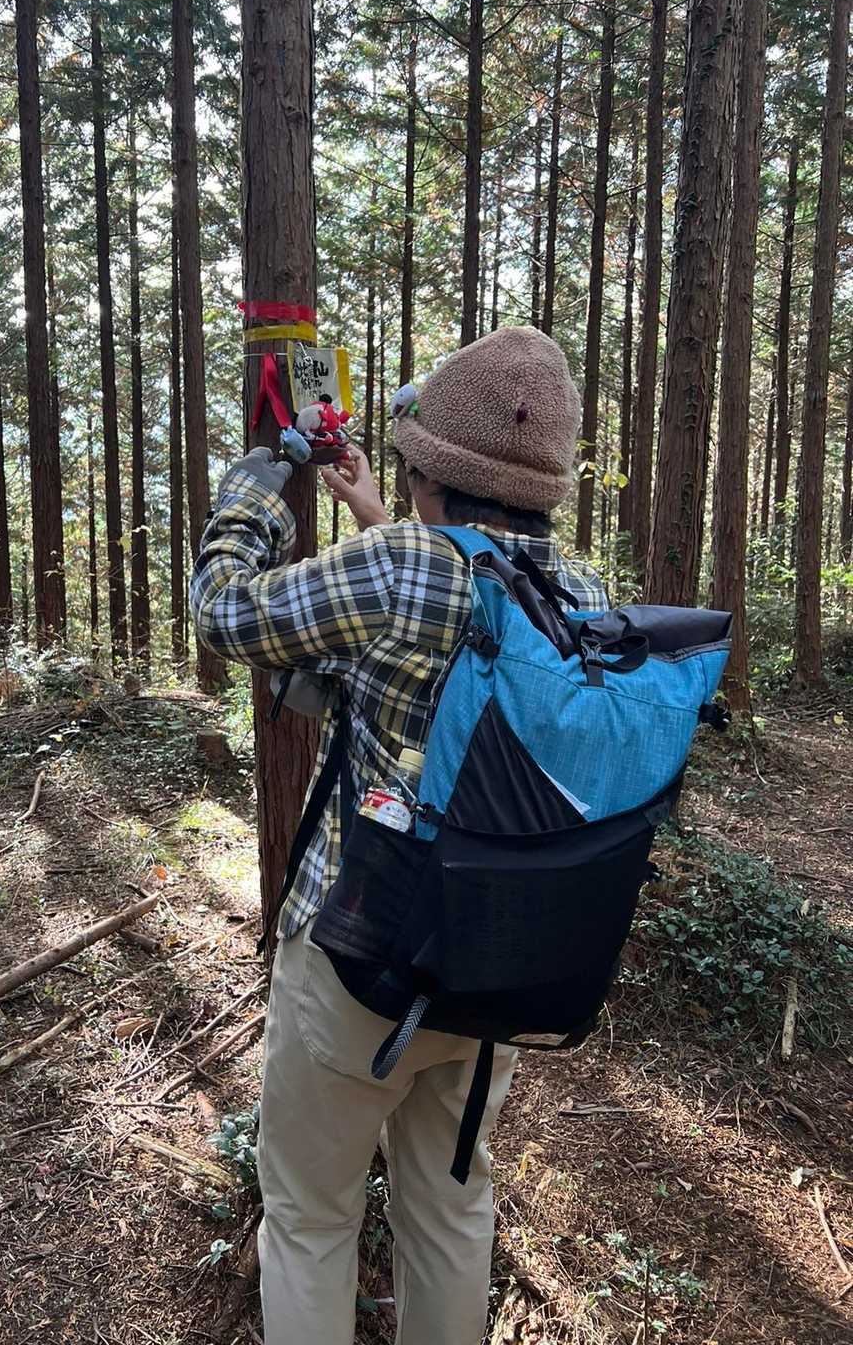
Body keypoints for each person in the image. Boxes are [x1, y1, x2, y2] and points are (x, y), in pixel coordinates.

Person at [190, 326, 607, 1345]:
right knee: (452, 1209)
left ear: (431, 469)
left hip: (359, 959)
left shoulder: (396, 568)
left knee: (310, 1218)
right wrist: (382, 512)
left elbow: (226, 615)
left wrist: (252, 493)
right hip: (493, 967)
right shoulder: (584, 594)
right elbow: (463, 610)